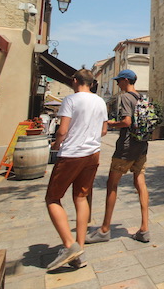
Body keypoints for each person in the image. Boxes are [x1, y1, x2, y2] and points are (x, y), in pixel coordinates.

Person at [45, 68, 108, 271]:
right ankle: (79, 248)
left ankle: (68, 244)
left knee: (53, 198)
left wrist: (56, 144)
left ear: (75, 81)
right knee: (81, 197)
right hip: (93, 153)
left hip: (72, 154)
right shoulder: (100, 101)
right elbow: (104, 130)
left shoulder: (71, 100)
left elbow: (62, 130)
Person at [86, 69, 151, 244]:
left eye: (118, 81)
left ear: (125, 80)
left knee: (112, 184)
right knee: (140, 183)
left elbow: (127, 121)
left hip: (127, 145)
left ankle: (105, 229)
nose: (116, 84)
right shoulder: (142, 97)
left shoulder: (125, 97)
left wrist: (110, 123)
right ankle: (144, 228)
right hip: (142, 145)